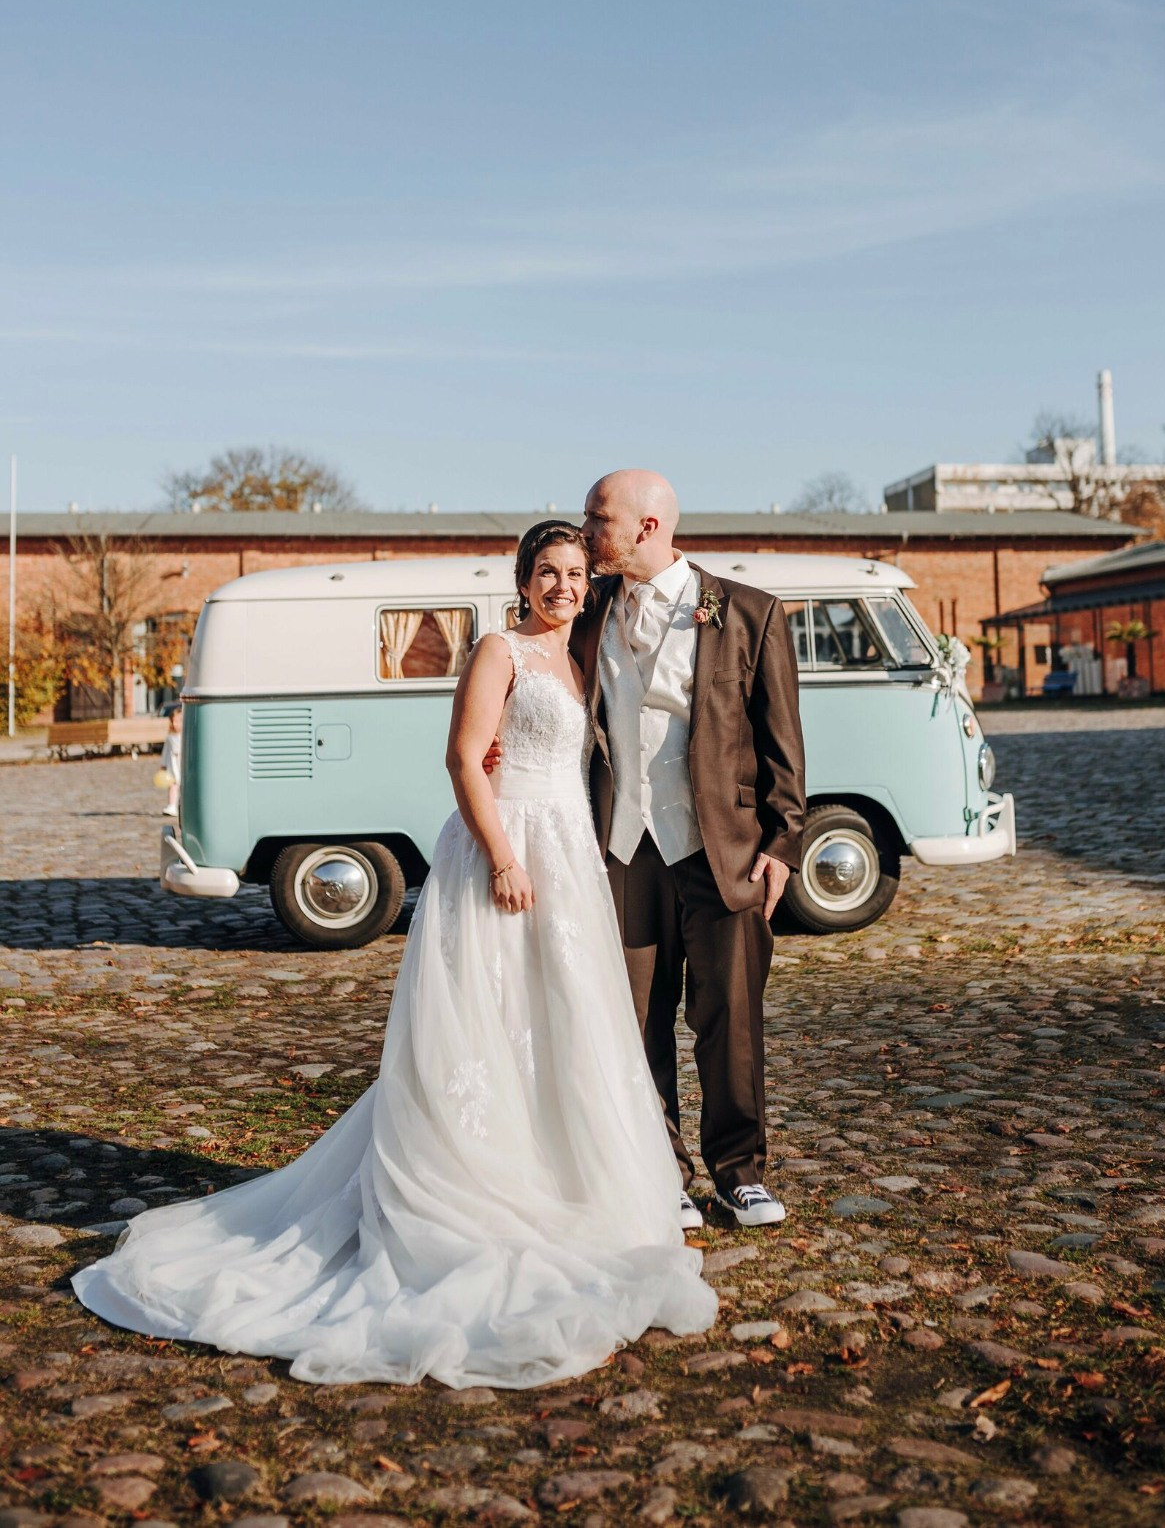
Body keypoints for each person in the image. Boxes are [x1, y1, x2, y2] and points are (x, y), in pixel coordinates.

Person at [72, 521, 716, 1388]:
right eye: (547, 572)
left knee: (566, 1020)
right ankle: (470, 1185)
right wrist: (503, 858)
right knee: (489, 1021)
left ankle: (570, 1180)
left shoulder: (581, 656)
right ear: (522, 580)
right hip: (508, 848)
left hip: (569, 854)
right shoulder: (499, 651)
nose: (563, 586)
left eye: (574, 573)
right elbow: (463, 760)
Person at [578, 470, 805, 1230]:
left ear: (646, 526)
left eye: (598, 518)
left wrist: (782, 844)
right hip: (622, 850)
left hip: (724, 851)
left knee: (730, 1019)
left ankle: (739, 1174)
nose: (585, 531)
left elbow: (781, 743)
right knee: (634, 1021)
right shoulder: (587, 609)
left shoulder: (748, 612)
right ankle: (660, 1171)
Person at [160, 704, 182, 817]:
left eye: (177, 721)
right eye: (172, 721)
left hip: (182, 764)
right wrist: (163, 764)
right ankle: (172, 805)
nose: (174, 724)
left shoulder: (185, 736)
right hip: (172, 764)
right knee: (173, 785)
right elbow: (166, 751)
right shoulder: (170, 737)